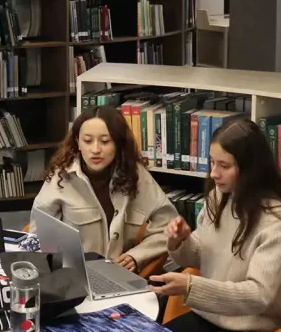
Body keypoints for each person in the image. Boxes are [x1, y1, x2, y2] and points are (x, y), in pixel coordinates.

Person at [130, 116, 281, 332]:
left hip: (255, 328)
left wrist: (190, 287)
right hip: (214, 313)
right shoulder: (219, 198)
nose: (214, 173)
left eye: (224, 166)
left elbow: (259, 296)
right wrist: (180, 241)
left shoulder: (277, 223)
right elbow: (199, 255)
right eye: (212, 162)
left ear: (250, 169)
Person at [29, 106, 177, 273]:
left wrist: (137, 255)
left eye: (105, 141)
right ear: (77, 142)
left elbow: (170, 226)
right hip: (75, 277)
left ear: (118, 143)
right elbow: (37, 238)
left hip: (120, 276)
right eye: (87, 141)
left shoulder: (136, 175)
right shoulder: (61, 177)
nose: (95, 150)